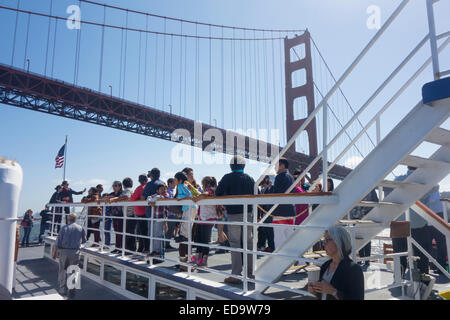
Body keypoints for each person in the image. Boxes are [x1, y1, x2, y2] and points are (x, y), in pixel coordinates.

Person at [216, 155, 255, 284]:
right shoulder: (250, 178)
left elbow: (218, 193)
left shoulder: (227, 178)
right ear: (244, 166)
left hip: (233, 214)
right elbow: (258, 195)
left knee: (235, 243)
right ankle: (250, 274)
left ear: (231, 166)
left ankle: (236, 274)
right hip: (248, 214)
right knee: (248, 244)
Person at [391, 167, 431, 276]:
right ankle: (423, 277)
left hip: (399, 220)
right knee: (421, 253)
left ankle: (399, 276)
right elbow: (435, 188)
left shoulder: (398, 179)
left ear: (407, 167)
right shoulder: (426, 181)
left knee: (399, 251)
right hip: (419, 222)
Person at [307, 226, 364, 300]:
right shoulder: (325, 265)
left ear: (339, 242)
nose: (324, 244)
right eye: (323, 241)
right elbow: (323, 294)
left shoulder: (354, 269)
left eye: (327, 240)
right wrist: (314, 291)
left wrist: (333, 291)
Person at [52, 213, 86, 298]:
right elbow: (84, 241)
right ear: (75, 219)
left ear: (68, 219)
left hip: (64, 251)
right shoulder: (80, 228)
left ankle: (62, 290)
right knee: (73, 272)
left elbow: (58, 242)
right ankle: (72, 292)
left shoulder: (64, 228)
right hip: (75, 252)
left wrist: (55, 253)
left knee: (63, 271)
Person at [191, 176, 219, 267]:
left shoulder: (212, 190)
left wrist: (198, 197)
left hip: (208, 218)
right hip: (202, 218)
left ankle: (204, 260)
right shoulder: (209, 191)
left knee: (205, 240)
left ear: (206, 183)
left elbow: (205, 194)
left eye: (203, 184)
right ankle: (198, 257)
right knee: (199, 238)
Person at [174, 171, 198, 271]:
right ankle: (186, 262)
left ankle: (185, 263)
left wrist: (179, 198)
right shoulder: (186, 185)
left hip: (189, 207)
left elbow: (188, 195)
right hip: (192, 208)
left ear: (179, 180)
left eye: (175, 179)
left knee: (185, 230)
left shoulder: (180, 186)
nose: (174, 181)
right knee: (188, 229)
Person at [271, 157, 296, 250]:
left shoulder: (279, 177)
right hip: (290, 212)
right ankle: (299, 261)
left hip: (280, 213)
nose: (274, 168)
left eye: (276, 165)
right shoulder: (291, 177)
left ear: (282, 166)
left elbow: (276, 194)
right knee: (290, 239)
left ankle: (280, 261)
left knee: (279, 240)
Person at [349, 188, 378, 267]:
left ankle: (366, 260)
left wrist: (368, 207)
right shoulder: (355, 189)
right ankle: (362, 258)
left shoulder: (371, 189)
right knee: (358, 238)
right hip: (356, 216)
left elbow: (376, 201)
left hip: (366, 216)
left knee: (367, 239)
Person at [423, 184, 447, 273]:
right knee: (426, 244)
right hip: (427, 216)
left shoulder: (434, 184)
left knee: (441, 243)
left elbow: (431, 200)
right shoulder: (432, 186)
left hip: (437, 216)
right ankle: (427, 266)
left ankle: (441, 268)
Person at [148, 184, 169, 262]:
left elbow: (159, 198)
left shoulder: (165, 196)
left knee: (158, 236)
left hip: (161, 218)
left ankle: (158, 254)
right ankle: (154, 252)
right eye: (161, 189)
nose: (163, 190)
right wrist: (150, 202)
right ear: (157, 190)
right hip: (154, 218)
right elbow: (149, 198)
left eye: (164, 189)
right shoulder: (155, 196)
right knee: (153, 235)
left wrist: (151, 201)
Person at [130, 174, 149, 254]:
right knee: (145, 231)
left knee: (142, 232)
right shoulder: (147, 187)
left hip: (140, 212)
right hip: (147, 212)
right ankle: (144, 248)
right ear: (146, 180)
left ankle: (142, 249)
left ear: (139, 180)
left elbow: (132, 199)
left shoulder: (139, 188)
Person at [257, 176, 275, 253]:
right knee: (266, 231)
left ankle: (272, 247)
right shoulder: (266, 189)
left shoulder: (273, 189)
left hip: (270, 214)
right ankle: (269, 247)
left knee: (270, 232)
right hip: (265, 213)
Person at [165, 178, 178, 250]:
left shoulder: (172, 191)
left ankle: (167, 243)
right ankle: (166, 244)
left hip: (173, 213)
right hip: (170, 213)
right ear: (169, 183)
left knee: (171, 229)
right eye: (173, 183)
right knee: (170, 229)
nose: (175, 184)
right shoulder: (168, 192)